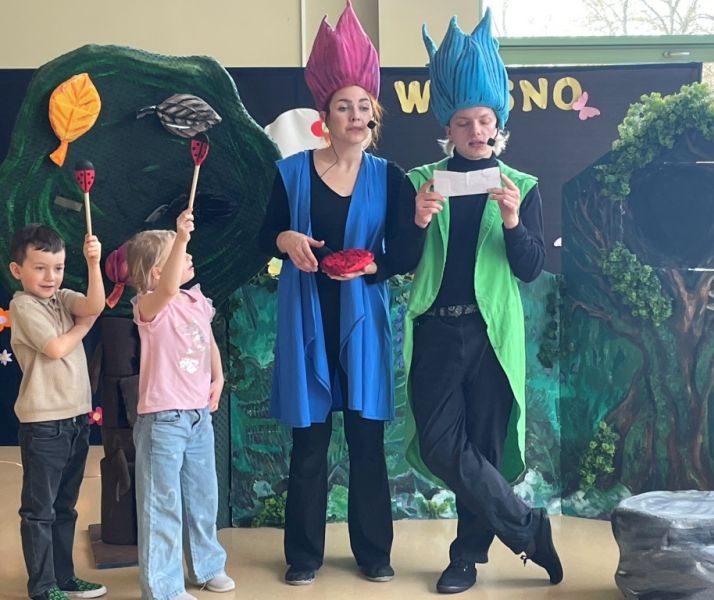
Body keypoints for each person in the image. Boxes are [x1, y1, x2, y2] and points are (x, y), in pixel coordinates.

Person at [258, 0, 422, 586]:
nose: (355, 115)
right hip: (307, 318)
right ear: (324, 116)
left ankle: (374, 553)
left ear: (374, 115)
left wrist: (372, 265)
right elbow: (265, 235)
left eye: (363, 106)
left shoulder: (391, 178)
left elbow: (406, 253)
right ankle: (303, 557)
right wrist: (285, 238)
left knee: (367, 442)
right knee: (309, 444)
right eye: (343, 106)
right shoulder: (291, 173)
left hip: (363, 322)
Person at [402, 9, 563, 594]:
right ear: (448, 127)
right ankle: (528, 527)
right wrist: (418, 220)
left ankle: (465, 558)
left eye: (485, 120)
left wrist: (514, 221)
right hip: (437, 331)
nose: (476, 129)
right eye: (464, 121)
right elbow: (399, 260)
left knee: (486, 449)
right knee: (441, 443)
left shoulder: (521, 185)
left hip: (492, 333)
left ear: (499, 124)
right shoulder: (421, 180)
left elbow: (530, 267)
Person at [126, 209, 234, 600]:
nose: (188, 255)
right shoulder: (149, 305)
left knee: (203, 496)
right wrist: (181, 237)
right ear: (157, 273)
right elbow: (168, 289)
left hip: (198, 416)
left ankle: (207, 566)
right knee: (162, 504)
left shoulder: (196, 300)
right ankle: (163, 588)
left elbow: (208, 340)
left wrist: (217, 377)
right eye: (178, 254)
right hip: (163, 419)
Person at [8, 224, 107, 600]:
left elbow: (94, 306)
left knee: (65, 506)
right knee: (40, 510)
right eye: (40, 268)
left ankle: (64, 578)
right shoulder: (22, 305)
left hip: (76, 419)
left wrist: (93, 264)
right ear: (17, 270)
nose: (51, 277)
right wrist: (85, 326)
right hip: (44, 425)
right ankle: (43, 586)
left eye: (59, 268)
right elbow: (55, 348)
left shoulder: (62, 297)